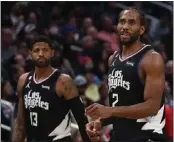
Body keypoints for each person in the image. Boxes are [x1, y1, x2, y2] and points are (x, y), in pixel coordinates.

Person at [85, 8, 168, 142]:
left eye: (131, 22)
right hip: (121, 136)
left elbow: (152, 107)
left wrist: (111, 111)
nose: (125, 27)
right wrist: (101, 122)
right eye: (122, 22)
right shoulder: (113, 59)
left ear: (141, 29)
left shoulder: (151, 59)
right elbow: (121, 104)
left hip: (147, 137)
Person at [12, 35, 90, 142]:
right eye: (36, 50)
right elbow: (20, 124)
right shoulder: (23, 80)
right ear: (30, 54)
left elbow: (82, 120)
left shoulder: (63, 81)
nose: (40, 54)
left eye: (45, 50)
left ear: (52, 53)